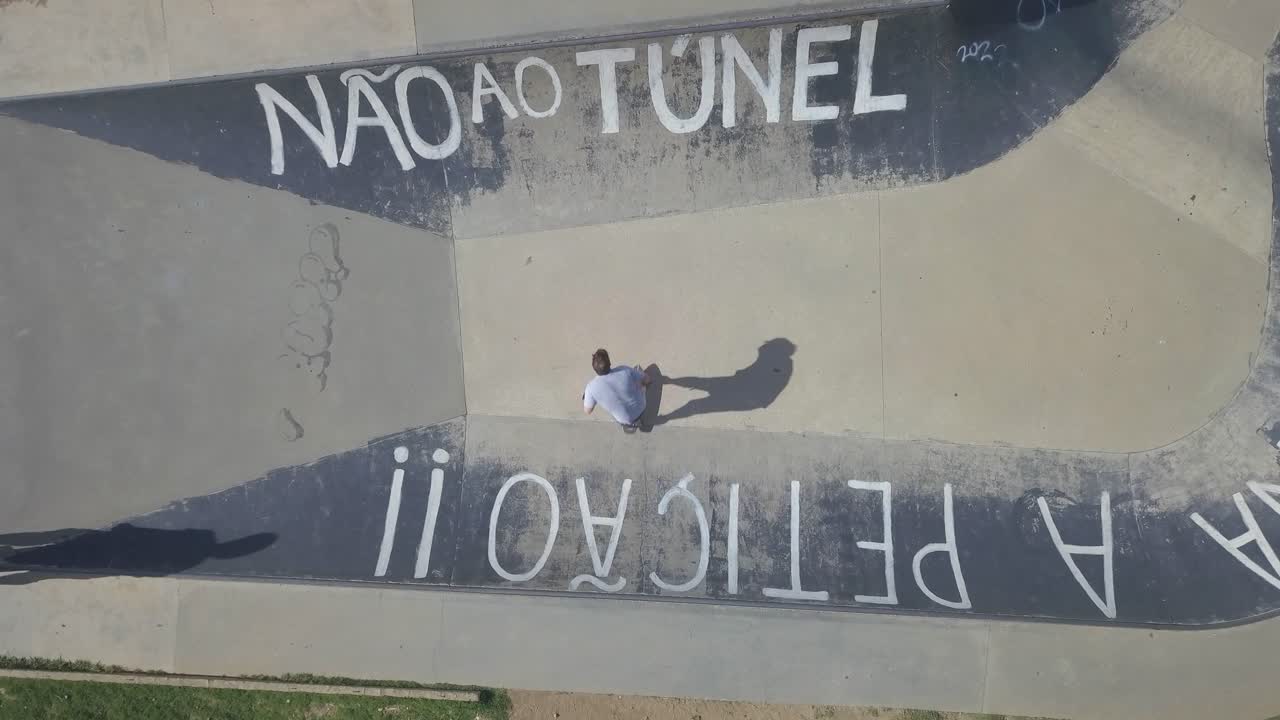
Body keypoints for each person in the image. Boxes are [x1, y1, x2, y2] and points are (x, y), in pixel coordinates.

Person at [583, 348, 650, 432]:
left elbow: (588, 411)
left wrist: (590, 395)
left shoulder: (590, 388)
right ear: (610, 363)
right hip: (641, 406)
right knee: (638, 374)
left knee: (613, 411)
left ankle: (629, 424)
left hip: (624, 419)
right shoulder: (624, 370)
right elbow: (647, 379)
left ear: (594, 368)